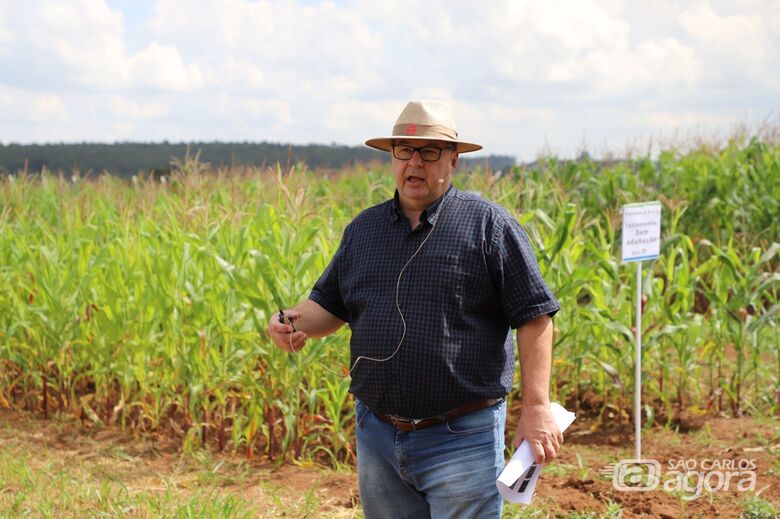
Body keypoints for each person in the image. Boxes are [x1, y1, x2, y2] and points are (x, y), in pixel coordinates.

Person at [267, 100, 562, 518]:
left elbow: (535, 315)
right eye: (404, 151)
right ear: (392, 158)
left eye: (430, 151)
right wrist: (291, 322)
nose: (415, 163)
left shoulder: (488, 227)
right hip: (378, 435)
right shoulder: (364, 230)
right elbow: (328, 306)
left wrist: (536, 407)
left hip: (462, 437)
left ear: (454, 160)